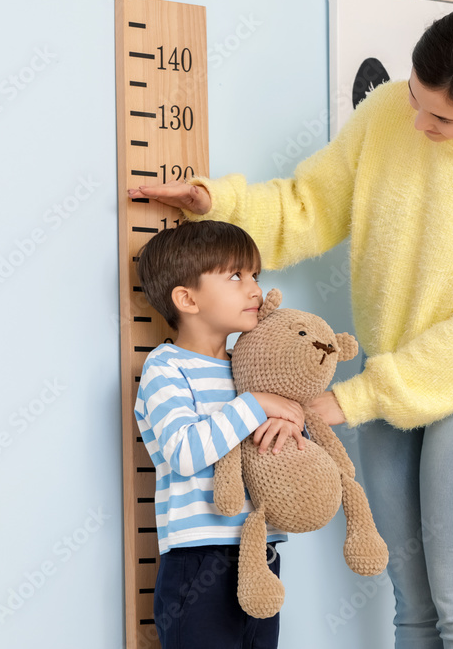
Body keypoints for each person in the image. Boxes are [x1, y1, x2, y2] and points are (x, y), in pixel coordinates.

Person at [128, 6, 453, 648]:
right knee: (412, 607)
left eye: (442, 119)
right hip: (389, 378)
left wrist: (349, 399)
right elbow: (311, 206)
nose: (419, 123)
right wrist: (222, 205)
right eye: (415, 99)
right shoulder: (387, 114)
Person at [134, 219, 309, 649]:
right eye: (236, 276)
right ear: (187, 299)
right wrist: (257, 405)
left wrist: (291, 422)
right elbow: (184, 452)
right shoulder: (166, 367)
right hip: (198, 561)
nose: (254, 289)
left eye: (255, 276)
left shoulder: (249, 369)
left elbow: (285, 455)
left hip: (262, 556)